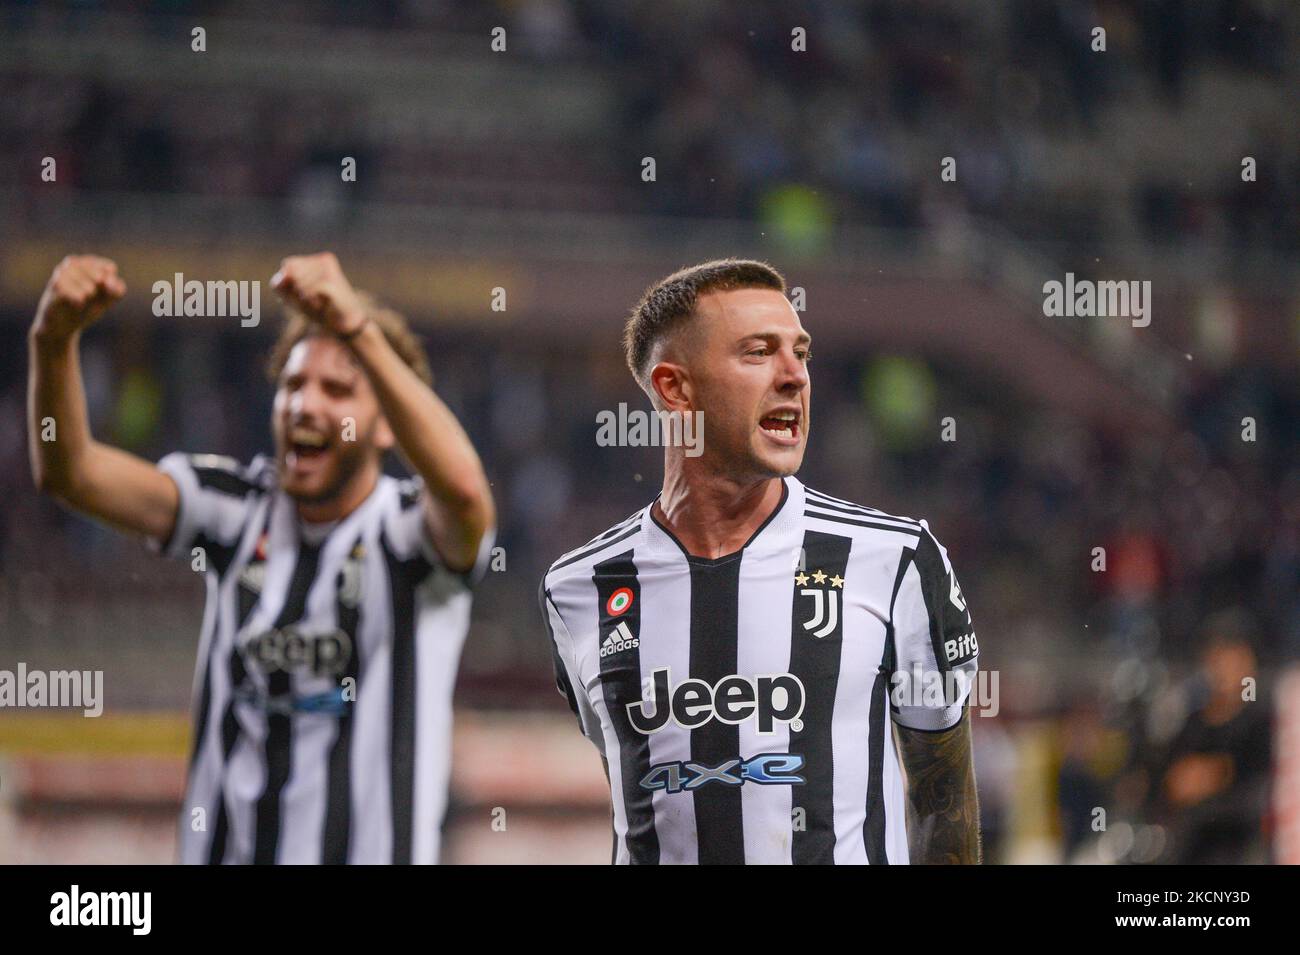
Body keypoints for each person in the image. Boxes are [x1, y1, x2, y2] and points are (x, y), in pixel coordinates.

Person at [28, 252, 495, 864]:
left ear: (388, 429)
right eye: (294, 384)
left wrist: (356, 325)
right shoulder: (232, 509)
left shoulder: (410, 535)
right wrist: (53, 339)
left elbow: (463, 492)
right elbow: (72, 474)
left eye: (338, 389)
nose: (306, 404)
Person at [540, 258, 981, 864]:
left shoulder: (895, 559)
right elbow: (640, 798)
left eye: (800, 353)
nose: (795, 376)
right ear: (675, 388)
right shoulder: (578, 588)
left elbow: (943, 798)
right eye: (758, 352)